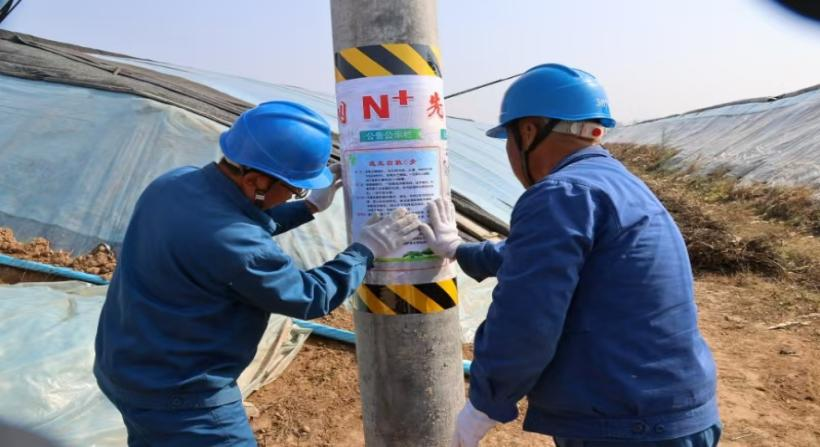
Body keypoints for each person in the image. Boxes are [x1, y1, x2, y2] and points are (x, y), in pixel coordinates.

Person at [420, 64, 721, 446]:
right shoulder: (617, 184)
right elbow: (534, 258)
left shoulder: (561, 193)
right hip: (676, 409)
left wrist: (483, 405)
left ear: (528, 132)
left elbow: (526, 315)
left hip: (624, 424)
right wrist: (459, 250)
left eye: (508, 139)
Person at [94, 101, 421, 446]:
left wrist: (308, 207)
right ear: (255, 181)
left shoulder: (173, 184)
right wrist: (365, 250)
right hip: (182, 399)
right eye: (295, 189)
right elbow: (310, 296)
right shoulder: (238, 243)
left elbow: (229, 225)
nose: (294, 195)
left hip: (124, 368)